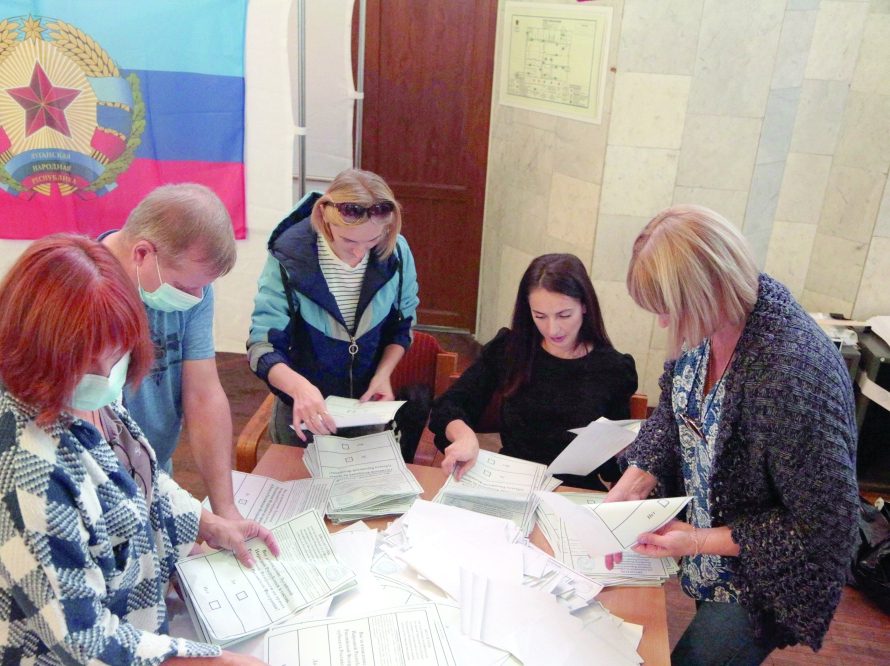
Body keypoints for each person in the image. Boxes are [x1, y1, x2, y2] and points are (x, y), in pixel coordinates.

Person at [0, 235, 275, 666]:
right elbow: (87, 641)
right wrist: (215, 660)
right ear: (40, 351)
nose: (104, 377)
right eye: (86, 366)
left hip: (129, 613)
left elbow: (135, 473)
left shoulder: (71, 376)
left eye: (115, 356)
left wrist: (207, 524)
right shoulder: (20, 474)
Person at [605, 206, 858, 665]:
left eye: (669, 309)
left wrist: (698, 540)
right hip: (710, 541)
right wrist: (632, 482)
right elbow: (676, 411)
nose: (664, 324)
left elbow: (824, 527)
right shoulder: (711, 323)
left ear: (706, 292)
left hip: (763, 575)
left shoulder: (792, 373)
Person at [429, 254, 638, 490]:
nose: (552, 328)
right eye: (539, 316)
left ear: (584, 305)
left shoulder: (614, 369)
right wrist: (465, 436)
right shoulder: (510, 350)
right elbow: (449, 405)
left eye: (564, 315)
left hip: (574, 493)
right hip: (512, 484)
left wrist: (624, 451)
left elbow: (612, 469)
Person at [101, 184, 242, 519]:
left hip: (154, 473)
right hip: (97, 483)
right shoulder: (84, 292)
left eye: (203, 287)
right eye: (184, 287)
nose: (195, 297)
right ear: (142, 253)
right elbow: (86, 432)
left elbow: (204, 396)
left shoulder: (191, 288)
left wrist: (225, 509)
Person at [247, 169, 419, 444]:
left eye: (372, 240)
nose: (361, 252)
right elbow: (262, 347)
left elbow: (402, 326)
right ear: (325, 218)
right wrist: (299, 388)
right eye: (349, 240)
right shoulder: (289, 258)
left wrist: (383, 374)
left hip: (365, 409)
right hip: (303, 416)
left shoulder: (396, 251)